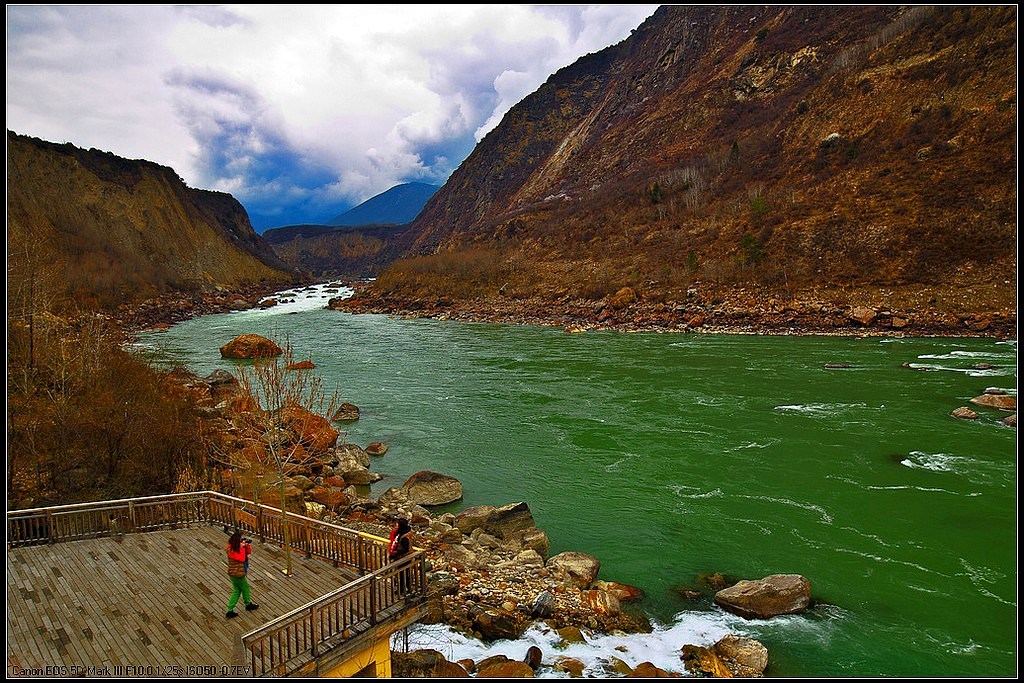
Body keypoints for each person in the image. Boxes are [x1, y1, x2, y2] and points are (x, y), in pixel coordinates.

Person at [225, 531, 259, 618]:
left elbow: (249, 552)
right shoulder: (232, 550)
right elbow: (241, 558)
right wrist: (242, 547)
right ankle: (248, 604)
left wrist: (246, 546)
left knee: (237, 590)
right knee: (245, 588)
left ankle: (230, 609)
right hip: (237, 574)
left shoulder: (233, 547)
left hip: (234, 573)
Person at [387, 518, 412, 596]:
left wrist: (395, 553)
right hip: (404, 557)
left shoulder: (403, 537)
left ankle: (405, 589)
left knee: (403, 574)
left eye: (397, 524)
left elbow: (405, 549)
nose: (396, 525)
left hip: (404, 557)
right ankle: (403, 588)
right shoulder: (403, 533)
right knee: (403, 574)